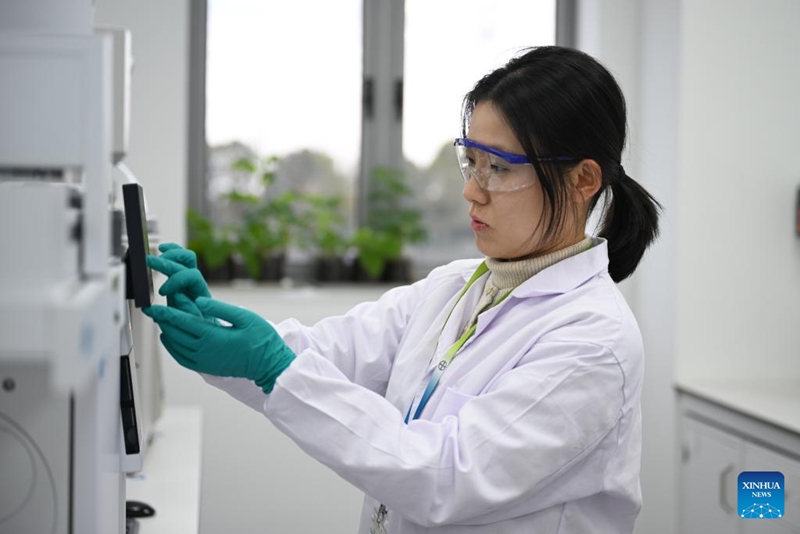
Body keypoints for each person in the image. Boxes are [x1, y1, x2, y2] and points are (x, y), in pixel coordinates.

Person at [143, 45, 661, 534]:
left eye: (499, 168)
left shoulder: (594, 342)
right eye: (472, 161)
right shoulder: (454, 288)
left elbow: (447, 475)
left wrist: (273, 367)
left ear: (583, 180)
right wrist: (215, 327)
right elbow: (325, 355)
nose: (471, 190)